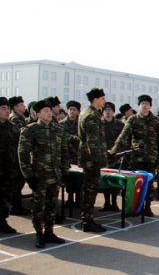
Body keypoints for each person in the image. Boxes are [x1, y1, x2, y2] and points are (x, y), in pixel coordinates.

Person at [18, 100, 69, 248]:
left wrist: (64, 170)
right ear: (38, 114)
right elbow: (23, 154)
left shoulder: (58, 130)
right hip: (39, 176)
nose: (48, 113)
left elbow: (65, 151)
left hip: (55, 175)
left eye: (49, 110)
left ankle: (49, 231)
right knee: (39, 206)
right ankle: (39, 234)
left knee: (52, 205)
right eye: (44, 111)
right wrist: (28, 175)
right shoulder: (30, 130)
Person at [110, 95, 159, 217]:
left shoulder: (156, 121)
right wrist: (114, 149)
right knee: (135, 184)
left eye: (147, 103)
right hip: (136, 158)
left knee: (149, 183)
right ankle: (135, 207)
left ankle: (148, 207)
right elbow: (123, 136)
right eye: (142, 104)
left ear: (150, 106)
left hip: (151, 158)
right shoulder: (133, 119)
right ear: (139, 106)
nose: (144, 106)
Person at [79, 88, 108, 233]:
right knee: (90, 190)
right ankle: (87, 221)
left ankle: (87, 219)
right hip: (91, 160)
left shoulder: (88, 112)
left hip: (88, 158)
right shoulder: (91, 116)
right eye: (102, 98)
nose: (104, 100)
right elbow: (92, 142)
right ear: (95, 99)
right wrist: (98, 160)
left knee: (88, 189)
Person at [0, 97, 19, 233]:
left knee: (6, 198)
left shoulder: (12, 128)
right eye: (3, 108)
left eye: (7, 108)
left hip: (9, 171)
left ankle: (2, 221)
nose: (7, 111)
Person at [8, 96, 30, 215]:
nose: (24, 106)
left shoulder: (19, 117)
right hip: (16, 155)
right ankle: (15, 207)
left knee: (19, 182)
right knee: (17, 183)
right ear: (15, 107)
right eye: (21, 104)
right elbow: (21, 135)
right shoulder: (16, 119)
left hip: (17, 154)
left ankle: (16, 206)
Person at [101, 102, 124, 212]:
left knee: (114, 181)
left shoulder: (120, 124)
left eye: (110, 110)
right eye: (106, 110)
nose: (108, 112)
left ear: (113, 111)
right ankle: (106, 202)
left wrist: (117, 151)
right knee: (105, 181)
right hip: (103, 157)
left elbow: (123, 140)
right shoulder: (99, 123)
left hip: (116, 157)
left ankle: (114, 203)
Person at [60, 100, 81, 208]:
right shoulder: (62, 124)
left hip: (79, 155)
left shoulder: (81, 123)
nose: (72, 111)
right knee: (69, 179)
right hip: (67, 155)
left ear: (78, 111)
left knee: (79, 178)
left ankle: (78, 200)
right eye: (70, 109)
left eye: (74, 109)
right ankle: (69, 199)